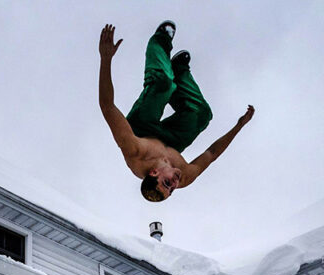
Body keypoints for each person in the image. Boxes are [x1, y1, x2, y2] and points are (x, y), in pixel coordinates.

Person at [99, 21, 255, 202]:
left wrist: (106, 58)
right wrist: (239, 126)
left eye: (167, 183)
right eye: (171, 190)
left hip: (141, 127)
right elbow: (211, 154)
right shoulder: (185, 177)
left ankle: (161, 40)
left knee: (163, 83)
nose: (174, 184)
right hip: (172, 141)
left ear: (154, 172)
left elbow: (107, 106)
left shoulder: (135, 152)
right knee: (202, 115)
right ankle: (180, 70)